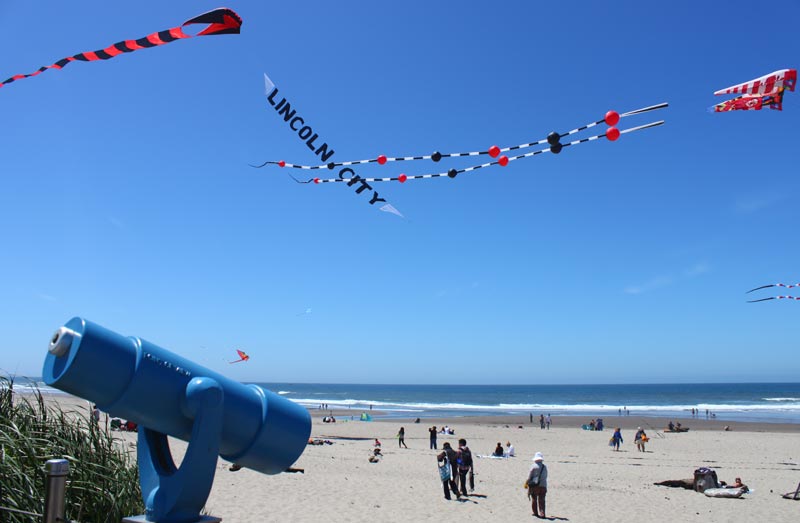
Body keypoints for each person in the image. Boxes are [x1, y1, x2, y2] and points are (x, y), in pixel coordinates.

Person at [527, 452, 548, 518]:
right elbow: (546, 476)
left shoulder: (533, 466)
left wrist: (527, 483)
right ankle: (542, 513)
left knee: (534, 499)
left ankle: (535, 513)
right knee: (542, 500)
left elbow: (529, 477)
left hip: (535, 486)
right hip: (543, 485)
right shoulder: (544, 467)